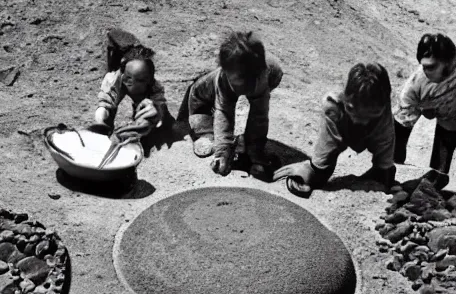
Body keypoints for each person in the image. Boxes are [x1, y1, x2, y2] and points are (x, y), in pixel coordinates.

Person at [273, 63, 396, 197]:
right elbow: (324, 154)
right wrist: (316, 169)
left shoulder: (381, 110)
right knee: (320, 173)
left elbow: (385, 154)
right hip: (340, 118)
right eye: (353, 110)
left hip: (378, 124)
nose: (358, 121)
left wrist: (383, 170)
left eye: (368, 115)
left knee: (383, 174)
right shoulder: (334, 104)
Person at [181, 31, 283, 179]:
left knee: (257, 116)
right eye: (238, 84)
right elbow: (224, 114)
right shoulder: (222, 79)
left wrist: (255, 152)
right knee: (206, 130)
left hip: (264, 77)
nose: (242, 89)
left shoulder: (268, 72)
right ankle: (206, 134)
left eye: (248, 83)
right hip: (202, 100)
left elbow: (259, 117)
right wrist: (222, 151)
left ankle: (251, 146)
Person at [394, 33, 456, 190]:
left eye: (432, 67)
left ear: (450, 61)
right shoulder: (415, 86)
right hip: (437, 111)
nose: (426, 72)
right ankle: (437, 174)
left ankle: (439, 174)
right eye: (424, 66)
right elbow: (401, 123)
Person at [94, 44, 170, 143]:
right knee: (106, 115)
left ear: (150, 80)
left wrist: (157, 112)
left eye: (140, 80)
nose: (133, 83)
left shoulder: (154, 87)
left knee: (148, 115)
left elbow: (159, 102)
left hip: (143, 93)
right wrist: (103, 110)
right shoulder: (113, 80)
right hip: (120, 84)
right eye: (128, 78)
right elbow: (107, 99)